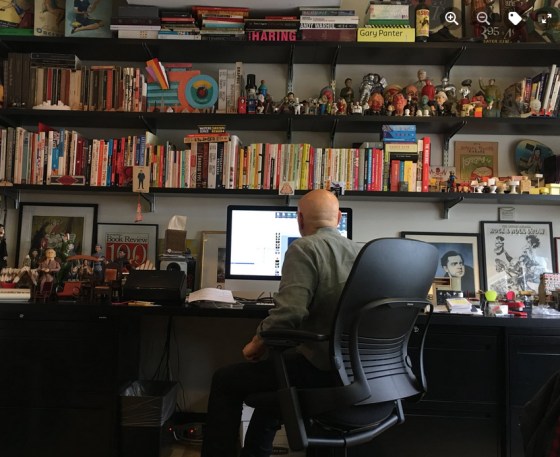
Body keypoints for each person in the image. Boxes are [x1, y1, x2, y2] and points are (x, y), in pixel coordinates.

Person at [200, 189, 362, 457]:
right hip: (358, 371)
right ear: (338, 218)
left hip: (321, 368)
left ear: (300, 220)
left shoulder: (304, 247)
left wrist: (258, 342)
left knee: (225, 380)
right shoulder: (362, 251)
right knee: (277, 380)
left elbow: (290, 314)